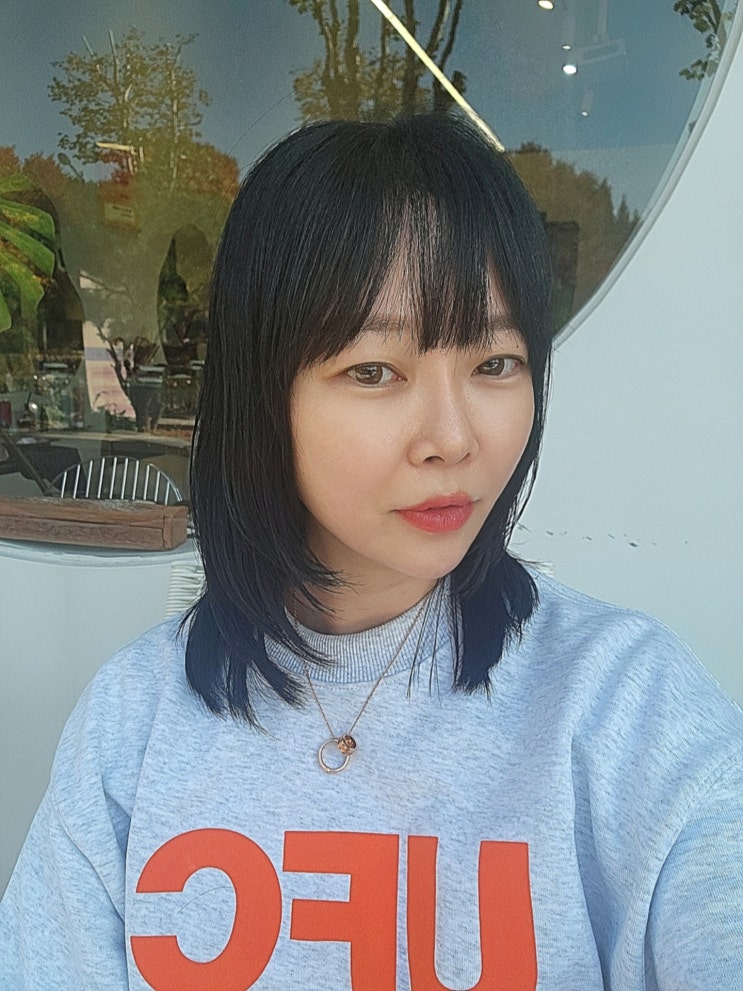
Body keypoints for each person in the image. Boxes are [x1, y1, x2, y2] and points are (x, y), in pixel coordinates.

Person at [1, 113, 741, 990]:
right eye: (373, 370)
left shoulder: (628, 706)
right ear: (262, 394)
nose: (452, 438)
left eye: (495, 363)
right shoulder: (134, 719)